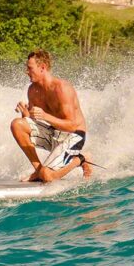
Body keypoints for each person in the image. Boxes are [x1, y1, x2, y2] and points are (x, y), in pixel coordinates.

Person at [11, 50, 92, 183]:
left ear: (42, 68)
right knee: (17, 124)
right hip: (54, 133)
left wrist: (45, 116)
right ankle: (38, 170)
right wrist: (25, 114)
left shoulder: (62, 89)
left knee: (47, 176)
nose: (26, 71)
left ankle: (81, 159)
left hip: (74, 135)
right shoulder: (33, 90)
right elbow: (33, 121)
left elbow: (72, 125)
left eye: (30, 68)